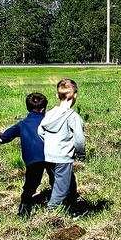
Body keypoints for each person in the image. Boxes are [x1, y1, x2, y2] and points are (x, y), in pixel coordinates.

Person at [0, 92, 50, 218]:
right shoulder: (49, 121)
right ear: (43, 109)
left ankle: (24, 208)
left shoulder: (22, 124)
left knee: (31, 184)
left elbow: (3, 138)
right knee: (57, 180)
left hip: (32, 159)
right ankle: (60, 204)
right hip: (52, 155)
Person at [38, 79, 85, 211]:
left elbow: (40, 131)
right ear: (75, 95)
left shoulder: (50, 113)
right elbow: (79, 139)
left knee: (61, 179)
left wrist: (50, 143)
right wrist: (81, 153)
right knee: (61, 186)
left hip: (49, 155)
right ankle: (51, 211)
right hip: (63, 157)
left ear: (57, 96)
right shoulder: (73, 117)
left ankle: (72, 200)